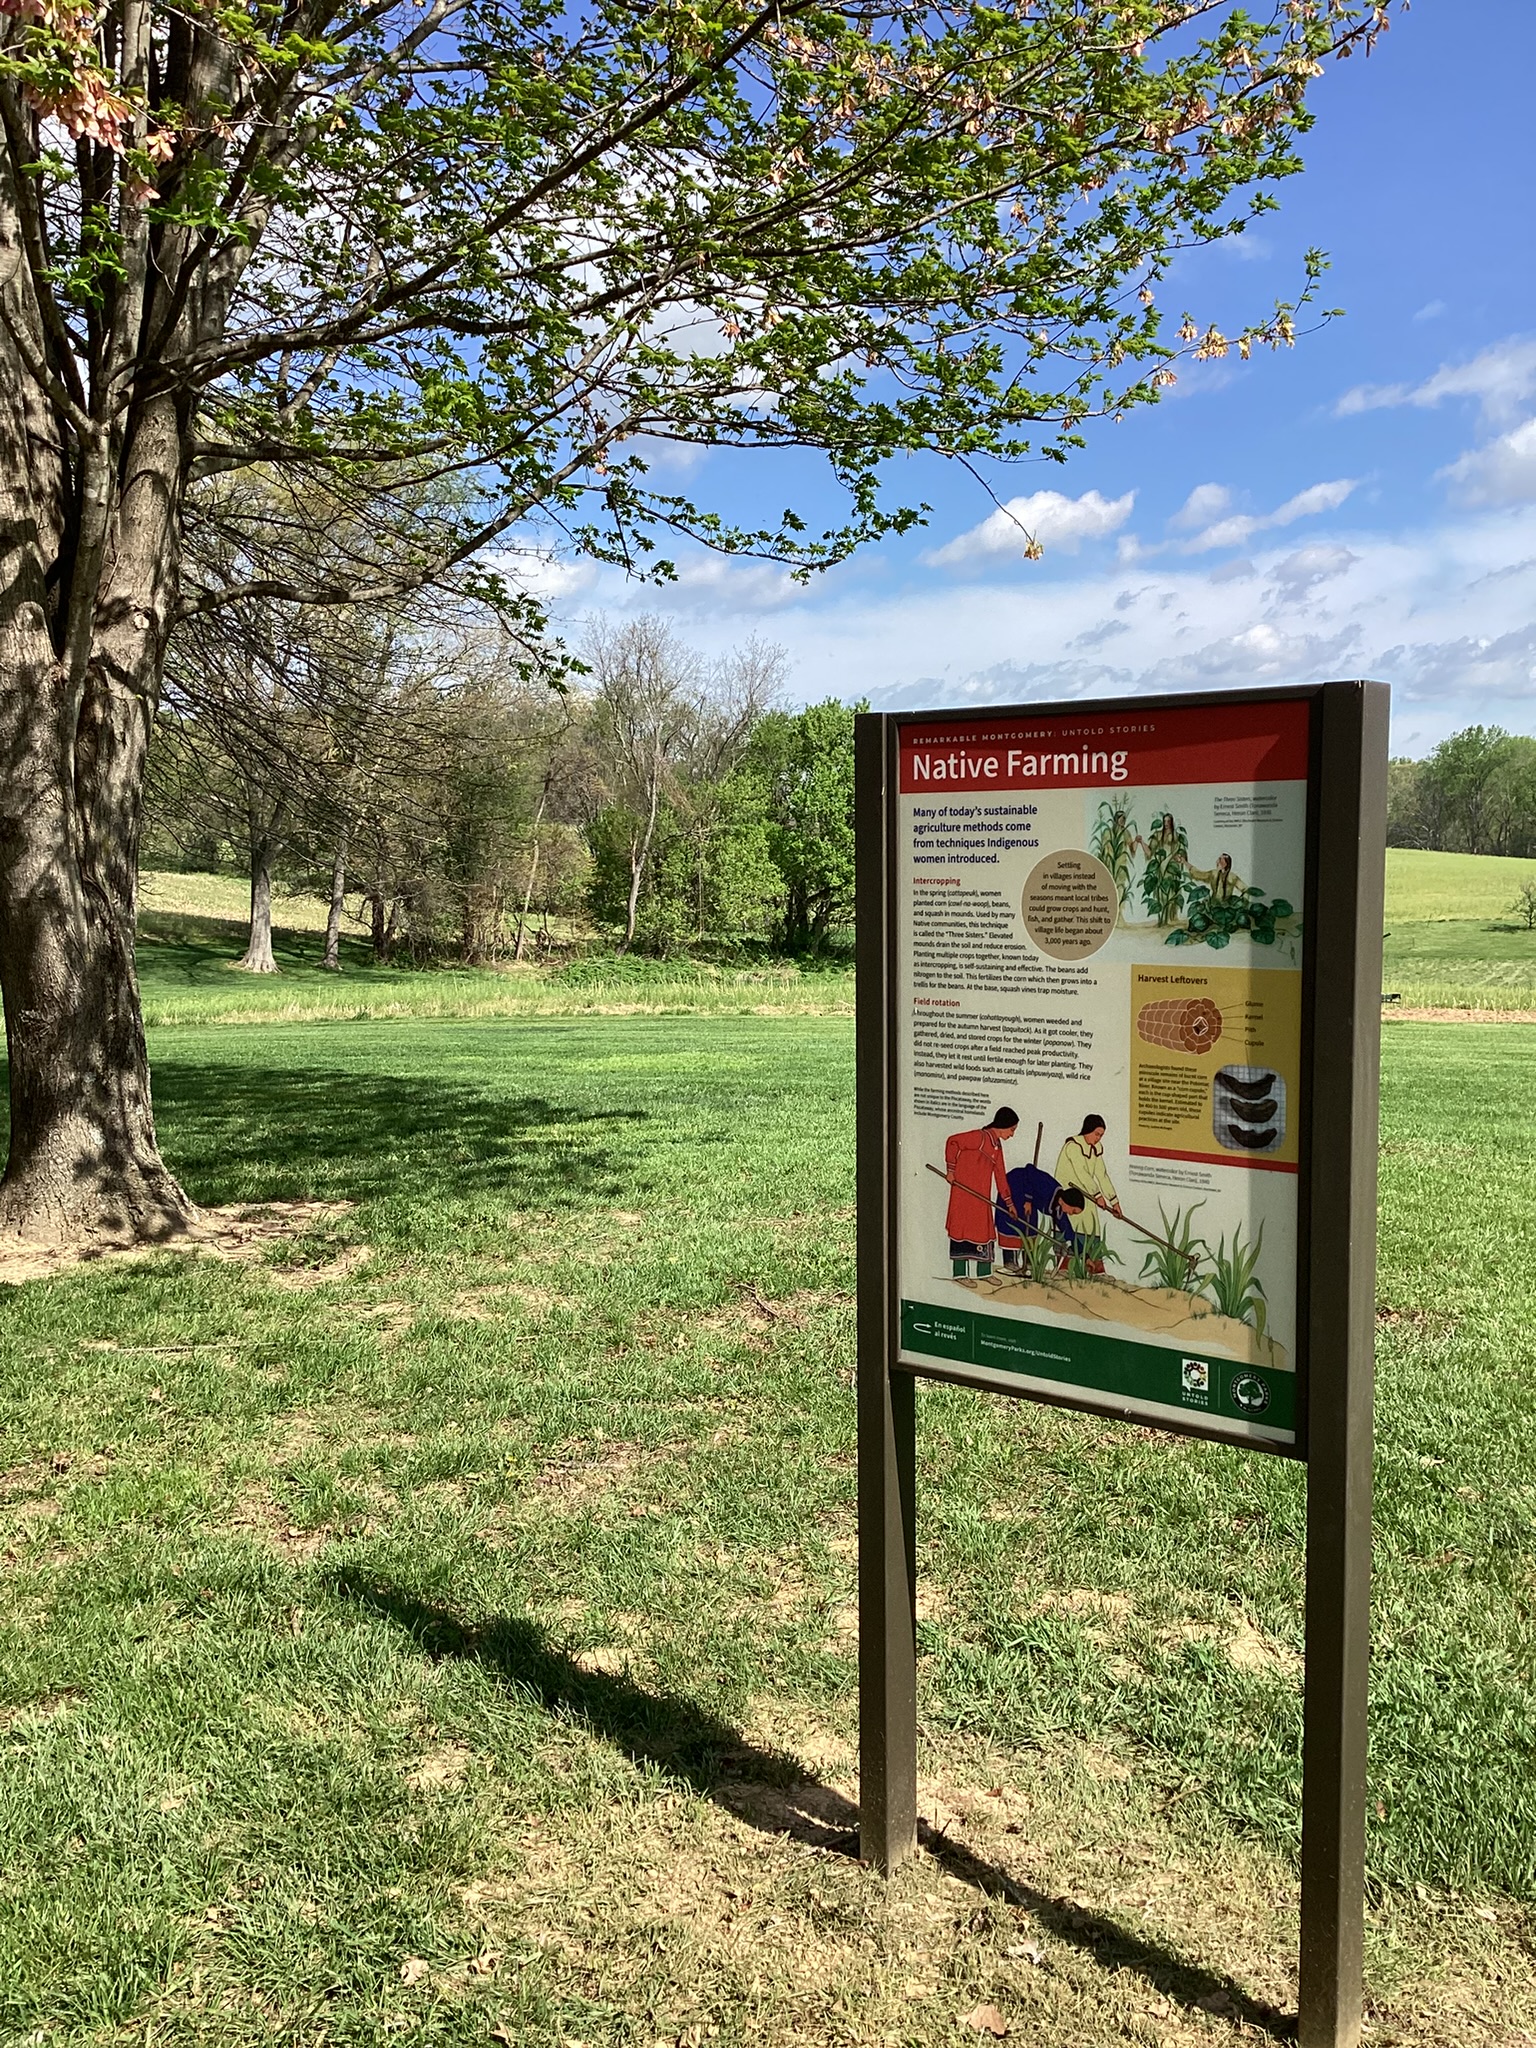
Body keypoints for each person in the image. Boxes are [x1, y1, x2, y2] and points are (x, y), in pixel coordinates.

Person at [944, 1107, 1019, 1277]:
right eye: (1012, 1129)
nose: (1012, 1134)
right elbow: (952, 1142)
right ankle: (960, 1274)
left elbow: (1000, 1175)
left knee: (984, 1233)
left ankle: (984, 1274)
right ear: (1003, 1125)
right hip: (964, 1194)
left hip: (981, 1199)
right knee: (961, 1231)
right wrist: (951, 1170)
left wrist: (1009, 1204)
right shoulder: (979, 1137)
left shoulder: (997, 1146)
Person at [1055, 1115, 1122, 1237]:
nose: (1098, 1138)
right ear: (1088, 1129)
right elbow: (1082, 1172)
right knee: (1070, 1231)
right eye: (1096, 1134)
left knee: (1091, 1230)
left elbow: (1102, 1175)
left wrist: (1114, 1202)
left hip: (1087, 1194)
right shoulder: (1073, 1146)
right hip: (1069, 1196)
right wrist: (1097, 1195)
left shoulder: (1095, 1148)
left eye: (1101, 1135)